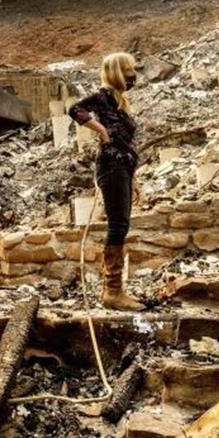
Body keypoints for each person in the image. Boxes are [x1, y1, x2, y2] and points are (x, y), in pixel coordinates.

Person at [67, 52, 145, 311]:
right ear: (115, 72)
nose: (132, 75)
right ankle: (112, 291)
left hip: (123, 168)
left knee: (121, 225)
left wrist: (133, 178)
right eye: (128, 70)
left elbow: (127, 143)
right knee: (117, 225)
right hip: (111, 167)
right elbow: (74, 109)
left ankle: (115, 290)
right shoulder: (102, 96)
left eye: (133, 70)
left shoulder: (119, 101)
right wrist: (99, 129)